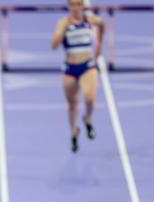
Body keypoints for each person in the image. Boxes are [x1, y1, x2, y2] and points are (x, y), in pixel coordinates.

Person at [51, 0, 104, 152]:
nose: (76, 7)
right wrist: (60, 33)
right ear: (69, 6)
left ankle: (87, 118)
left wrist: (99, 45)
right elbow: (53, 46)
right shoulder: (63, 23)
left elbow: (102, 24)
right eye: (73, 4)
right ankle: (74, 131)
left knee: (90, 98)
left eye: (79, 4)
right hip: (70, 68)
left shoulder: (90, 20)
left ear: (82, 5)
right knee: (72, 104)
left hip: (87, 65)